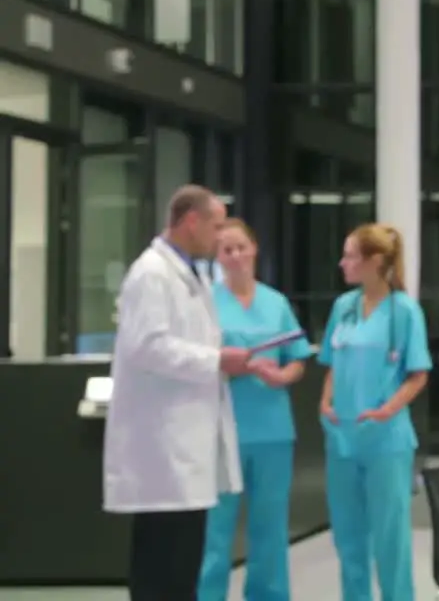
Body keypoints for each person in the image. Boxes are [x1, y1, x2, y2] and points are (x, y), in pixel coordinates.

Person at [104, 185, 253, 600]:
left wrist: (215, 360)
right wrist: (216, 360)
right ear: (191, 221)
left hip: (183, 450)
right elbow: (147, 346)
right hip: (162, 451)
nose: (220, 236)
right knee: (162, 572)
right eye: (216, 225)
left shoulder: (189, 274)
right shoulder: (151, 273)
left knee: (181, 569)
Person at [198, 219, 313, 601]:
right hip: (222, 429)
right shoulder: (207, 304)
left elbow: (298, 358)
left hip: (273, 431)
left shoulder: (275, 303)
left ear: (254, 250)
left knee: (270, 528)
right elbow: (195, 359)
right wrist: (231, 366)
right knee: (216, 531)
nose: (234, 256)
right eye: (225, 250)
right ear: (217, 256)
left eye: (240, 248)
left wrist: (283, 376)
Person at [319, 223, 430, 601]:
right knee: (348, 539)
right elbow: (333, 360)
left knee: (390, 540)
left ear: (375, 261)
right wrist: (325, 402)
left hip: (387, 442)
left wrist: (386, 411)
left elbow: (417, 375)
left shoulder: (404, 312)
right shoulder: (343, 307)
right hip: (342, 438)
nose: (342, 263)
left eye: (350, 255)